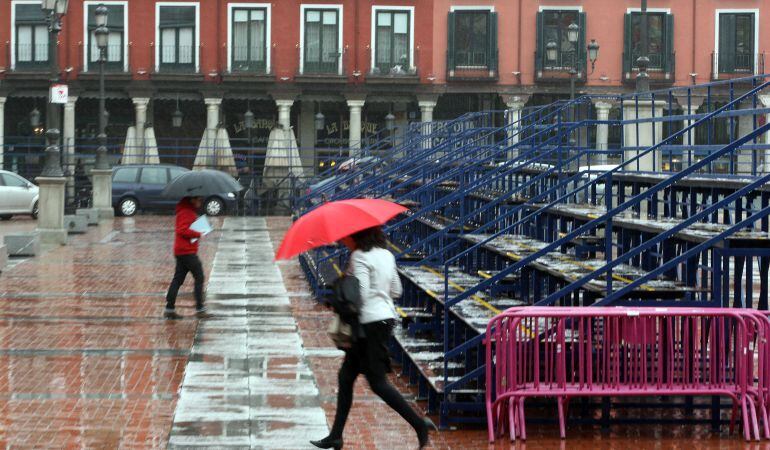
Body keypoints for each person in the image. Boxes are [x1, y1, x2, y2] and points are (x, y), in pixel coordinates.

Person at [311, 226, 435, 450]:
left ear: (356, 235)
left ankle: (419, 424)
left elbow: (361, 295)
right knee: (346, 377)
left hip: (368, 325)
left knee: (377, 383)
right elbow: (396, 290)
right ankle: (336, 435)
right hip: (385, 318)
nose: (344, 238)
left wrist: (343, 289)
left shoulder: (359, 256)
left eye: (346, 235)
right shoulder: (386, 254)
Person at [164, 196, 209, 319]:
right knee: (199, 276)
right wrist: (198, 233)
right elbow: (182, 230)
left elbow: (186, 227)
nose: (200, 201)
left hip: (182, 250)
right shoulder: (186, 212)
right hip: (186, 251)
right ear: (192, 200)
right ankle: (200, 308)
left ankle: (169, 309)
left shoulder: (187, 211)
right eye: (199, 199)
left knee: (178, 279)